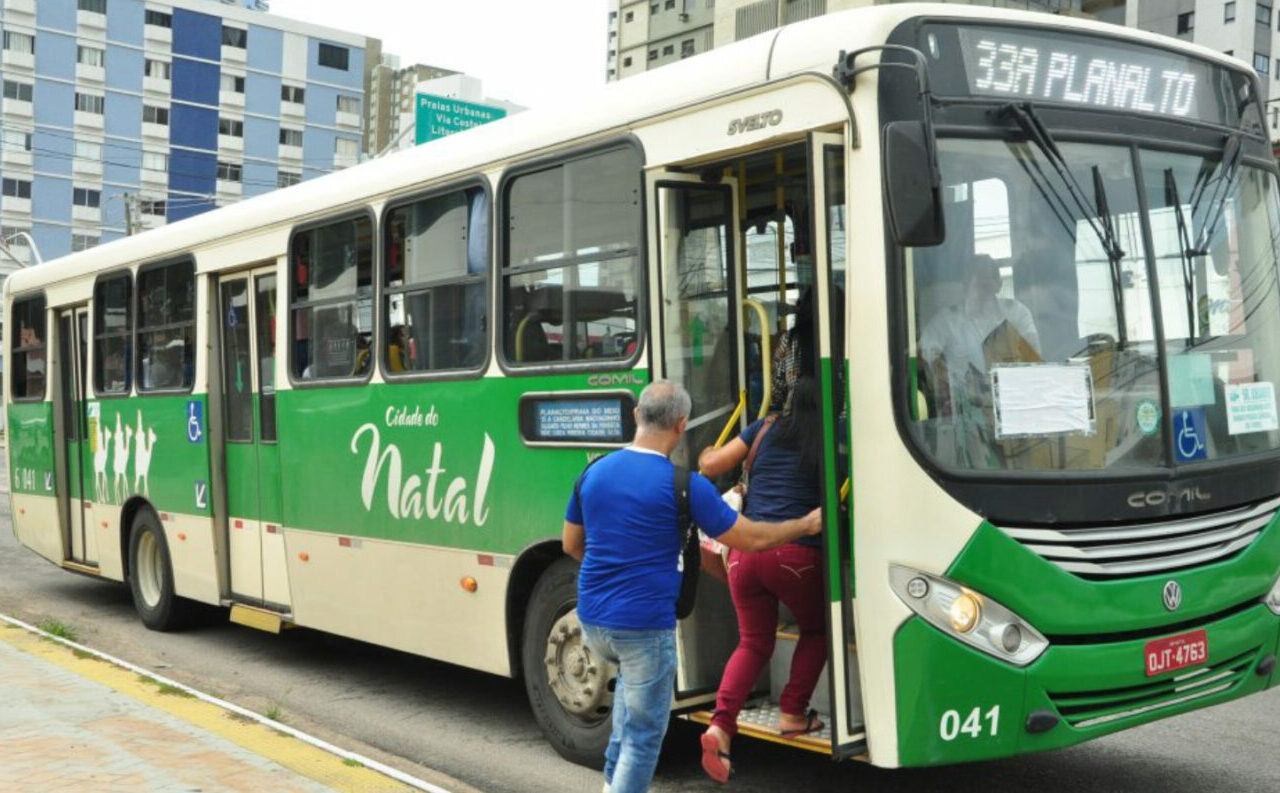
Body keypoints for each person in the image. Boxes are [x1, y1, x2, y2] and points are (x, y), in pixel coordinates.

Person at [562, 380, 822, 793]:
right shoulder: (685, 485)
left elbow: (572, 545)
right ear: (682, 425)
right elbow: (750, 539)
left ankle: (611, 784)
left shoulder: (593, 473)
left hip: (593, 620)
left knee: (626, 718)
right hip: (644, 626)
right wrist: (805, 525)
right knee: (645, 737)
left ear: (636, 417)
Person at [695, 376, 827, 783]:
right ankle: (792, 712)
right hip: (796, 552)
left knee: (753, 642)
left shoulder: (764, 426)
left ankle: (720, 725)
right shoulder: (832, 430)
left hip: (744, 552)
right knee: (818, 631)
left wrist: (706, 450)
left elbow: (710, 464)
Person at [919, 254, 1040, 415]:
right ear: (965, 286)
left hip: (1012, 405)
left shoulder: (1016, 313)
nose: (981, 293)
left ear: (999, 284)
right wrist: (942, 381)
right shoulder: (947, 320)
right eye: (975, 285)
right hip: (964, 410)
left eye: (986, 284)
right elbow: (923, 356)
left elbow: (1033, 360)